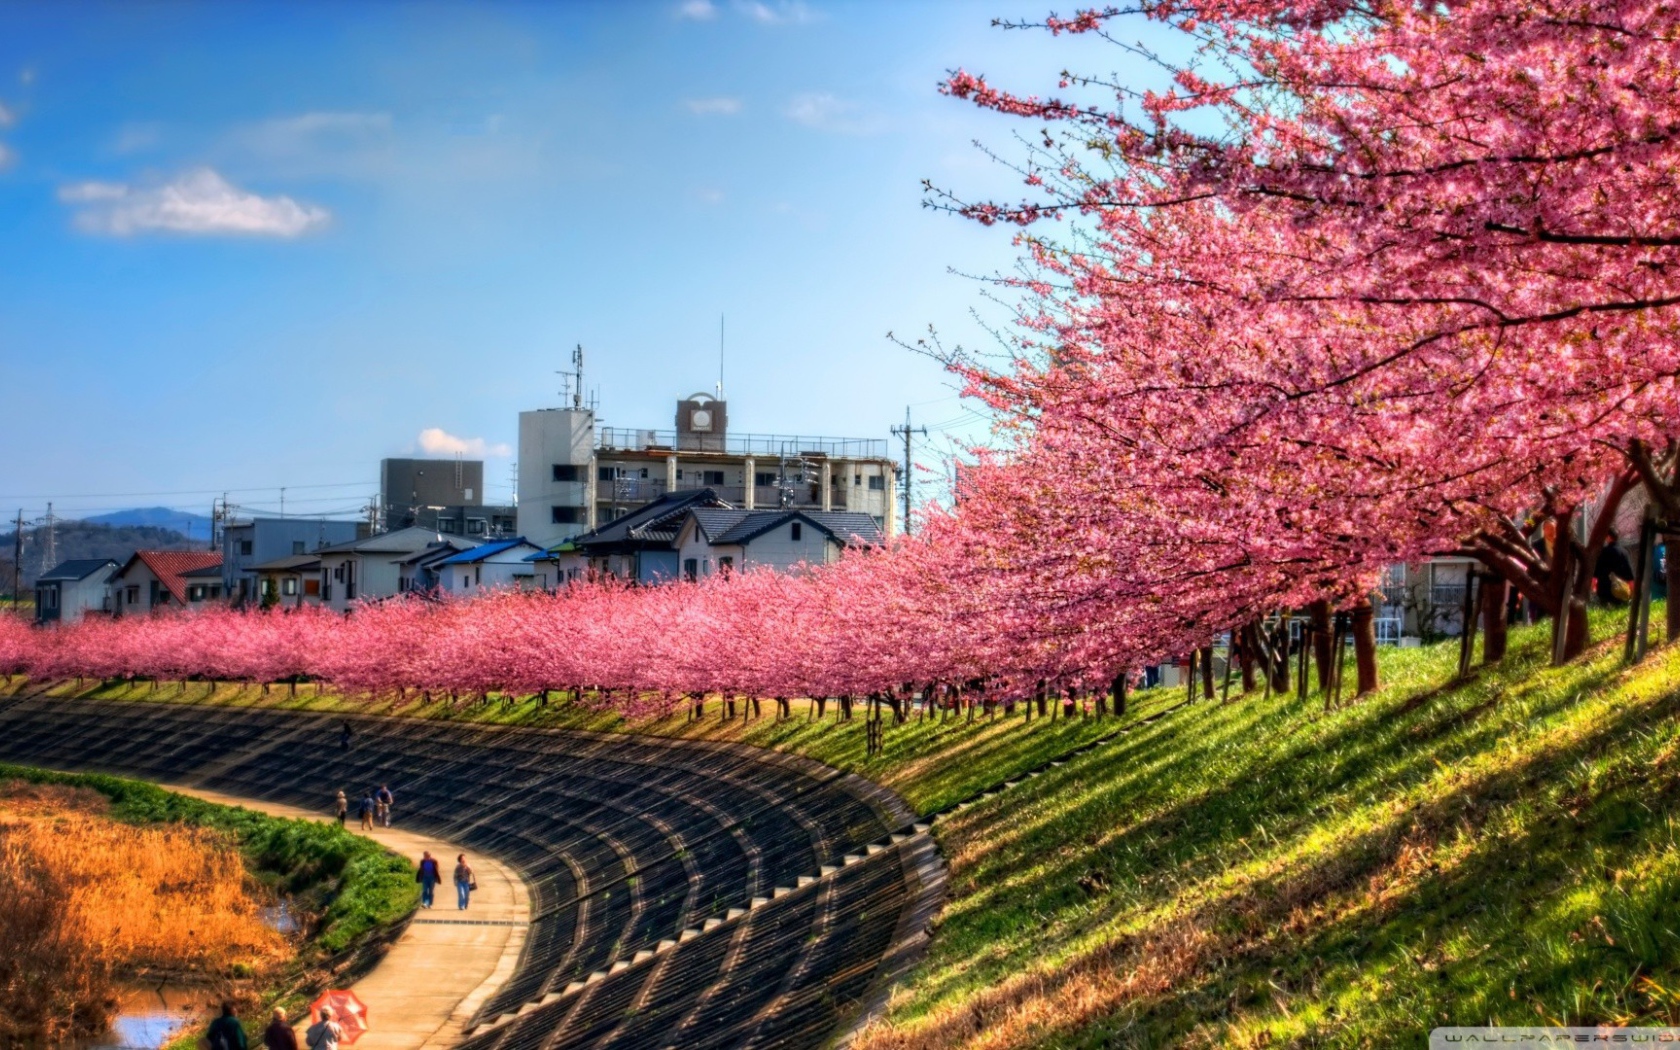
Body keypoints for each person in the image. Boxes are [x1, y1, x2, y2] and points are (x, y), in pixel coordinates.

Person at [1595, 528, 1636, 604]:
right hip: (1620, 591)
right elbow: (1629, 573)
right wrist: (1632, 590)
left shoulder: (1603, 552)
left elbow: (1596, 572)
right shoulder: (1624, 552)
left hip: (1604, 591)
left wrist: (1594, 587)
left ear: (1608, 537)